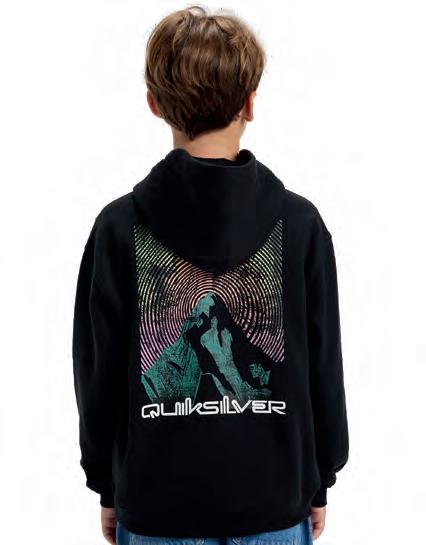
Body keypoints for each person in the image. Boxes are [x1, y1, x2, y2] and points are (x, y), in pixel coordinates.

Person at [72, 5, 349, 545]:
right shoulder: (299, 225)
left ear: (155, 105)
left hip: (155, 508)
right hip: (273, 503)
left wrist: (106, 484)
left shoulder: (117, 228)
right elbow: (323, 364)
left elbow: (96, 372)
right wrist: (320, 478)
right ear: (250, 104)